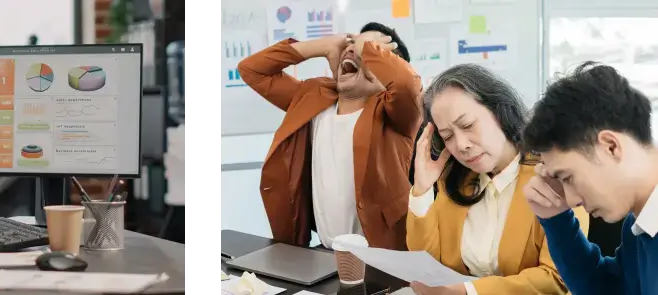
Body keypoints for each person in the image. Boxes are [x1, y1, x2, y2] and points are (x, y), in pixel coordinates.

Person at [407, 64, 589, 295]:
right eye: (448, 136)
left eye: (467, 125)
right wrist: (422, 190)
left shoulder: (554, 174)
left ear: (500, 112)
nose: (461, 145)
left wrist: (468, 291)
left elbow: (556, 278)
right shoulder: (453, 178)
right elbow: (427, 269)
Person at [237, 22, 422, 249]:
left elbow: (406, 84)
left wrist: (366, 48)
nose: (354, 49)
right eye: (350, 44)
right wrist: (319, 46)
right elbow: (252, 70)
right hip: (326, 251)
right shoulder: (313, 96)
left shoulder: (396, 113)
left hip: (383, 256)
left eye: (370, 49)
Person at [522, 62, 658, 295]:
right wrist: (556, 219)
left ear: (611, 147)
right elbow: (608, 289)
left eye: (568, 177)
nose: (572, 200)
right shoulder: (640, 223)